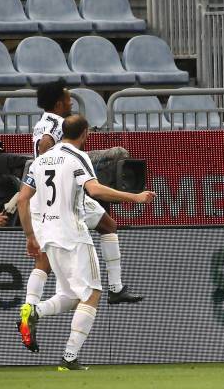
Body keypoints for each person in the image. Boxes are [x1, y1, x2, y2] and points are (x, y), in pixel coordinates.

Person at [17, 114, 156, 370]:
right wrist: (134, 197)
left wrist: (29, 235)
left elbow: (23, 199)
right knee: (92, 293)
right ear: (84, 134)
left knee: (71, 295)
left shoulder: (41, 160)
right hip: (73, 234)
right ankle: (69, 357)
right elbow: (95, 190)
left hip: (48, 235)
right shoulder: (77, 157)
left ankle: (34, 311)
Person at [23, 79, 142, 320]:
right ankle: (115, 288)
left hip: (45, 199)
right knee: (83, 283)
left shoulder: (41, 122)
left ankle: (30, 306)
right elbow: (48, 147)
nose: (71, 102)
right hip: (65, 194)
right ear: (59, 104)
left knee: (46, 258)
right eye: (68, 99)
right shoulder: (57, 124)